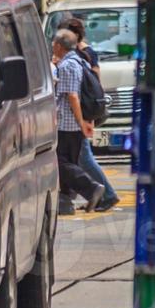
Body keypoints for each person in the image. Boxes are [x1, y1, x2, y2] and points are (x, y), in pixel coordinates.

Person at [63, 17, 120, 209]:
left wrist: (89, 116)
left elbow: (93, 87)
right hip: (79, 113)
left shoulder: (83, 54)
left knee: (84, 158)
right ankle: (94, 196)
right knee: (80, 158)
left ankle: (107, 194)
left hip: (82, 113)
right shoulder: (82, 54)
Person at [50, 31, 108, 215]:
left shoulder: (67, 65)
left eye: (53, 43)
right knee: (69, 164)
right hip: (74, 125)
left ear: (59, 45)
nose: (52, 46)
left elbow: (73, 96)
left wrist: (82, 122)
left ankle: (92, 188)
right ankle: (66, 203)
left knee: (59, 162)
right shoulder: (80, 61)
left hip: (67, 125)